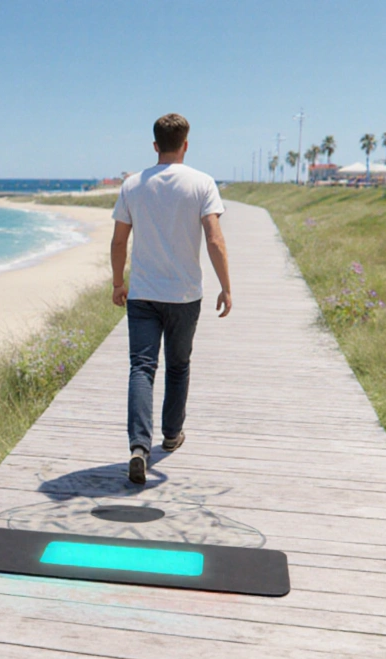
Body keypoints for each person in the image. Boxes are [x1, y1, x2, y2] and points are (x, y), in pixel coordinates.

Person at [110, 113, 232, 485]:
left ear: (155, 145)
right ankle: (171, 435)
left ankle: (138, 447)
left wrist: (117, 283)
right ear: (185, 145)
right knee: (178, 366)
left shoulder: (133, 185)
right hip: (184, 294)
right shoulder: (202, 183)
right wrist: (226, 286)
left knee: (141, 368)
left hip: (143, 293)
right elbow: (214, 239)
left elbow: (119, 241)